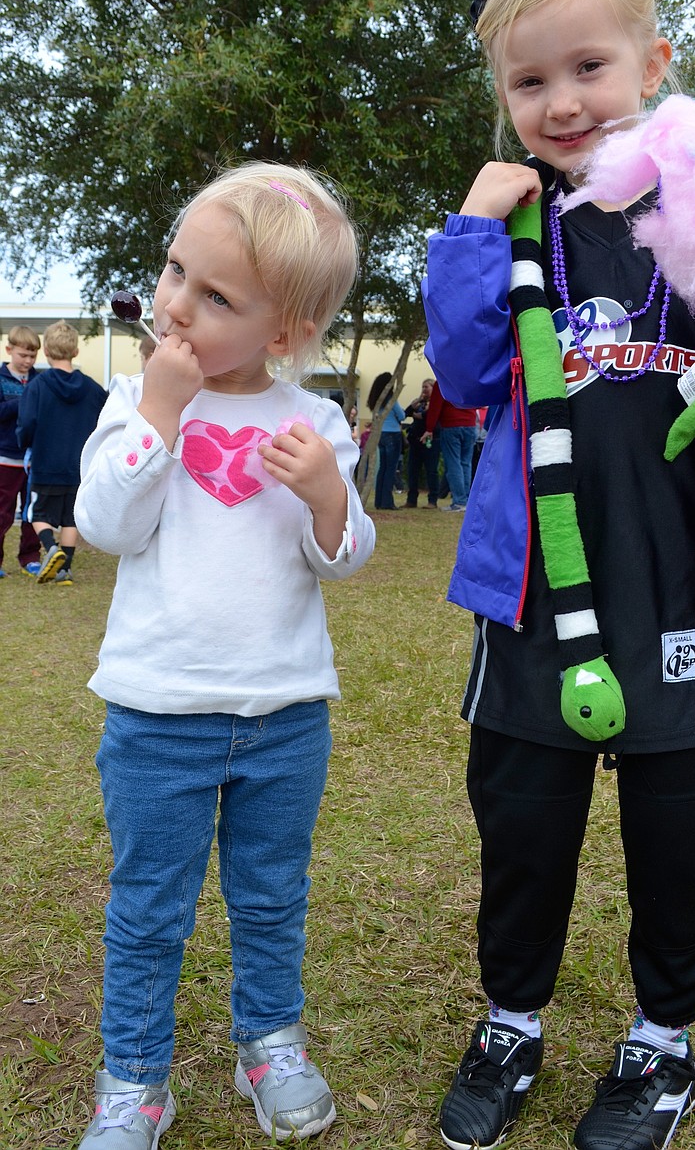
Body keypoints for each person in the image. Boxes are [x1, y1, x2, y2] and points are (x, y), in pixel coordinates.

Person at [421, 0, 695, 1150]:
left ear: (653, 64)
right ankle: (511, 1017)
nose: (560, 102)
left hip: (683, 597)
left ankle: (661, 1041)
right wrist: (465, 226)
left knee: (677, 832)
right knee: (524, 822)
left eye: (588, 68)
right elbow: (462, 365)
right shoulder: (512, 228)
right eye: (528, 81)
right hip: (535, 602)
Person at [73, 163, 375, 1149]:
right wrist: (160, 415)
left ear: (282, 333)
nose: (174, 306)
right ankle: (134, 1080)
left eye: (214, 296)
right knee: (149, 905)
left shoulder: (313, 424)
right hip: (157, 713)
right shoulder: (135, 399)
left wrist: (330, 495)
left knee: (271, 892)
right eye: (173, 273)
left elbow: (341, 557)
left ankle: (269, 1039)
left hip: (285, 714)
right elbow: (107, 524)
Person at [16, 319, 108, 586]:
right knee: (71, 517)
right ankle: (65, 571)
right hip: (79, 467)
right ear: (76, 352)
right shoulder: (93, 389)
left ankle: (51, 548)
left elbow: (28, 423)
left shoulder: (37, 386)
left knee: (36, 514)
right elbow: (103, 421)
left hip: (46, 462)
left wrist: (25, 442)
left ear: (45, 350)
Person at [0, 324, 41, 576]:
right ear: (9, 350)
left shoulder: (39, 380)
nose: (27, 361)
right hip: (4, 457)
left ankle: (30, 557)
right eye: (22, 355)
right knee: (1, 512)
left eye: (32, 356)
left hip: (33, 459)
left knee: (32, 510)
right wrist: (22, 402)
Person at [423, 379, 476, 512]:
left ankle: (459, 501)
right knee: (466, 463)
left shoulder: (442, 381)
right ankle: (466, 500)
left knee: (453, 464)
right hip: (470, 425)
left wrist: (429, 428)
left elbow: (435, 406)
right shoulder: (467, 380)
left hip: (451, 425)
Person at [367, 370, 406, 510]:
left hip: (380, 434)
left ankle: (379, 501)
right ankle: (387, 502)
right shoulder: (391, 399)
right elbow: (402, 416)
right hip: (393, 434)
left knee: (383, 468)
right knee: (391, 468)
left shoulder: (376, 399)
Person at [404, 377, 441, 507]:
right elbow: (406, 413)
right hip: (416, 440)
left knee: (431, 470)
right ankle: (411, 500)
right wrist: (417, 402)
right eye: (423, 387)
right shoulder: (419, 403)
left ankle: (432, 500)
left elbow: (427, 416)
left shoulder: (436, 403)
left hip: (431, 440)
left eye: (427, 387)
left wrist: (416, 415)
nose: (424, 390)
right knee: (413, 470)